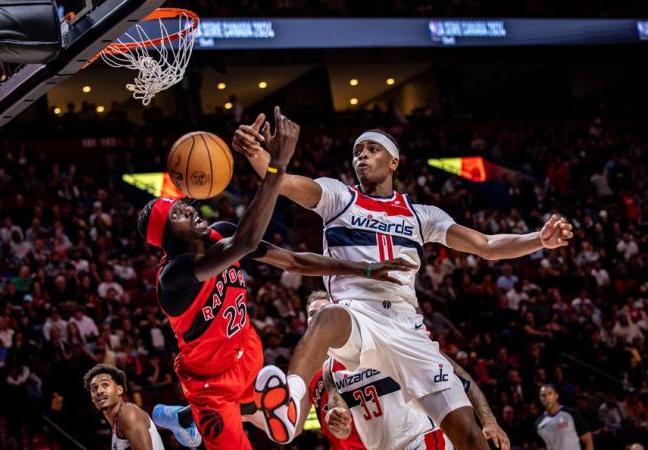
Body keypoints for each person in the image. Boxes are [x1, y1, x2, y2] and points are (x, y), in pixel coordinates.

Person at [233, 115, 573, 449]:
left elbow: (485, 245)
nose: (361, 156)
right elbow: (284, 181)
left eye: (371, 149)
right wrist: (257, 154)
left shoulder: (421, 214)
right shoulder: (339, 197)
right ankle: (290, 403)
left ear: (393, 160)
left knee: (468, 435)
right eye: (357, 151)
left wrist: (538, 240)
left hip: (406, 327)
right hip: (359, 318)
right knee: (327, 316)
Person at [137, 107, 413, 450]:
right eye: (177, 214)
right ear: (167, 237)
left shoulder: (219, 234)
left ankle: (185, 419)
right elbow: (246, 243)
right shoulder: (174, 275)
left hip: (249, 358)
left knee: (289, 427)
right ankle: (192, 416)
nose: (189, 209)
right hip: (212, 386)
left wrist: (364, 269)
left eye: (183, 205)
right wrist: (275, 166)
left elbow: (295, 261)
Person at [306, 290, 509, 450]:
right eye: (312, 314)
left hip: (422, 438)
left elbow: (458, 374)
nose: (318, 318)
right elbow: (343, 427)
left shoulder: (388, 336)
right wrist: (337, 423)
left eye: (324, 311)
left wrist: (488, 420)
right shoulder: (329, 370)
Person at [83, 364, 176, 450]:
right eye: (94, 388)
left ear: (119, 390)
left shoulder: (127, 412)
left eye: (105, 385)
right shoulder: (117, 425)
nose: (99, 391)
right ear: (92, 399)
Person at [536, 384, 594, 450]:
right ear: (540, 398)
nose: (546, 397)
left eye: (549, 394)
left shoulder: (571, 413)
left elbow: (587, 438)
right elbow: (541, 447)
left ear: (556, 396)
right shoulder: (539, 424)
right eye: (543, 395)